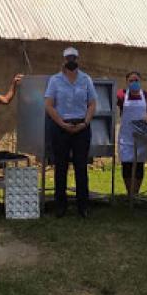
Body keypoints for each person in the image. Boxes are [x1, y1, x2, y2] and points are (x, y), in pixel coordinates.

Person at [44, 47, 97, 218]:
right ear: (64, 60)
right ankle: (61, 205)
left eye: (74, 58)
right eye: (68, 58)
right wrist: (61, 123)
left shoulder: (86, 79)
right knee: (61, 167)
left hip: (82, 127)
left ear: (78, 59)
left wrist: (86, 122)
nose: (71, 61)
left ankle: (83, 206)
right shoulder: (55, 80)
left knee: (81, 167)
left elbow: (92, 104)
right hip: (60, 127)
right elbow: (49, 105)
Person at [116, 71, 147, 196]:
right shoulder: (121, 95)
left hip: (142, 136)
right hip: (127, 135)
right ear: (127, 82)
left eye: (136, 80)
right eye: (131, 80)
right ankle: (129, 193)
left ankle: (136, 193)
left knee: (139, 165)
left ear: (140, 82)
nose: (134, 83)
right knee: (126, 164)